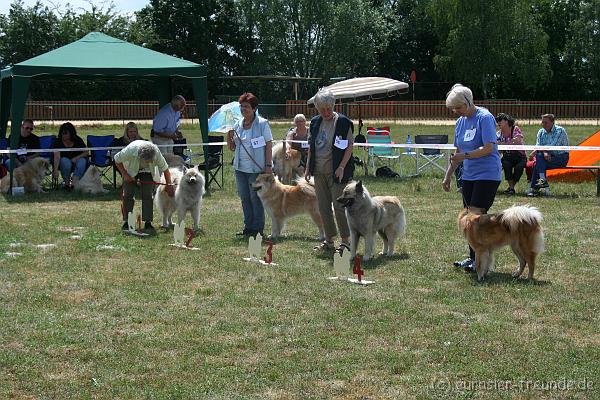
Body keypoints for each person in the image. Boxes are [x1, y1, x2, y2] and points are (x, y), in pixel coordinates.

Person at [442, 84, 502, 271]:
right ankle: (474, 258)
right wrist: (448, 175)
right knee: (470, 219)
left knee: (475, 217)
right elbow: (458, 151)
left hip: (487, 174)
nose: (456, 112)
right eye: (454, 108)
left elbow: (489, 148)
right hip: (468, 176)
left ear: (468, 102)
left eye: (459, 107)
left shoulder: (484, 118)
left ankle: (480, 260)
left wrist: (465, 156)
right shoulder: (460, 122)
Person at [305, 88, 354, 253]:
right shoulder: (315, 122)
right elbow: (311, 146)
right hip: (318, 172)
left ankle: (346, 241)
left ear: (333, 105)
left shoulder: (343, 122)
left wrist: (341, 167)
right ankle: (329, 240)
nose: (325, 112)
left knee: (339, 207)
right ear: (317, 108)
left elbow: (349, 147)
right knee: (324, 208)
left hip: (337, 172)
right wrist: (307, 168)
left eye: (328, 108)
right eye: (322, 109)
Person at [226, 92, 273, 237]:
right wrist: (229, 138)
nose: (243, 109)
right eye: (241, 106)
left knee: (255, 198)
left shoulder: (262, 124)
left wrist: (268, 166)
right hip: (240, 168)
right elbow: (233, 147)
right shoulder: (237, 125)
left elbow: (269, 144)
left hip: (256, 168)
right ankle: (248, 226)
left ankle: (257, 228)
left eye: (246, 106)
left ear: (254, 108)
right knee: (244, 197)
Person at [113, 140, 174, 235]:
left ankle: (148, 222)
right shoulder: (130, 150)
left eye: (151, 160)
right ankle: (127, 221)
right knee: (128, 195)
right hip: (130, 169)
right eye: (147, 161)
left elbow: (166, 170)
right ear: (140, 156)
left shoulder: (156, 152)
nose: (149, 162)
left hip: (148, 171)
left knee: (148, 196)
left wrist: (169, 185)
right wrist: (125, 175)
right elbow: (116, 159)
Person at [527, 113, 569, 197]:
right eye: (542, 122)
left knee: (538, 162)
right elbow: (538, 146)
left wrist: (542, 151)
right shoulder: (540, 132)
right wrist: (544, 152)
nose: (543, 124)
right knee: (539, 160)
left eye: (545, 122)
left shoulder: (560, 130)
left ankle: (533, 189)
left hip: (560, 158)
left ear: (552, 122)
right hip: (544, 158)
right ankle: (543, 184)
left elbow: (553, 146)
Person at [496, 113, 526, 195]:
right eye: (497, 121)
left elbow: (517, 140)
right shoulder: (499, 133)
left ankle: (511, 187)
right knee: (506, 165)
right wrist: (508, 143)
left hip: (520, 156)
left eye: (500, 120)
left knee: (519, 167)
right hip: (507, 156)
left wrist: (504, 144)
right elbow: (498, 144)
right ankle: (512, 188)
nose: (498, 122)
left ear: (506, 121)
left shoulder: (515, 129)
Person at [52, 122, 88, 191]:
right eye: (62, 133)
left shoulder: (78, 140)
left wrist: (77, 158)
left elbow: (86, 152)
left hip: (77, 163)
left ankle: (74, 184)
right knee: (65, 161)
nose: (63, 135)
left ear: (71, 134)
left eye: (66, 133)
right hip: (64, 165)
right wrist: (55, 170)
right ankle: (67, 184)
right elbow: (56, 157)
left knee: (82, 161)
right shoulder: (58, 141)